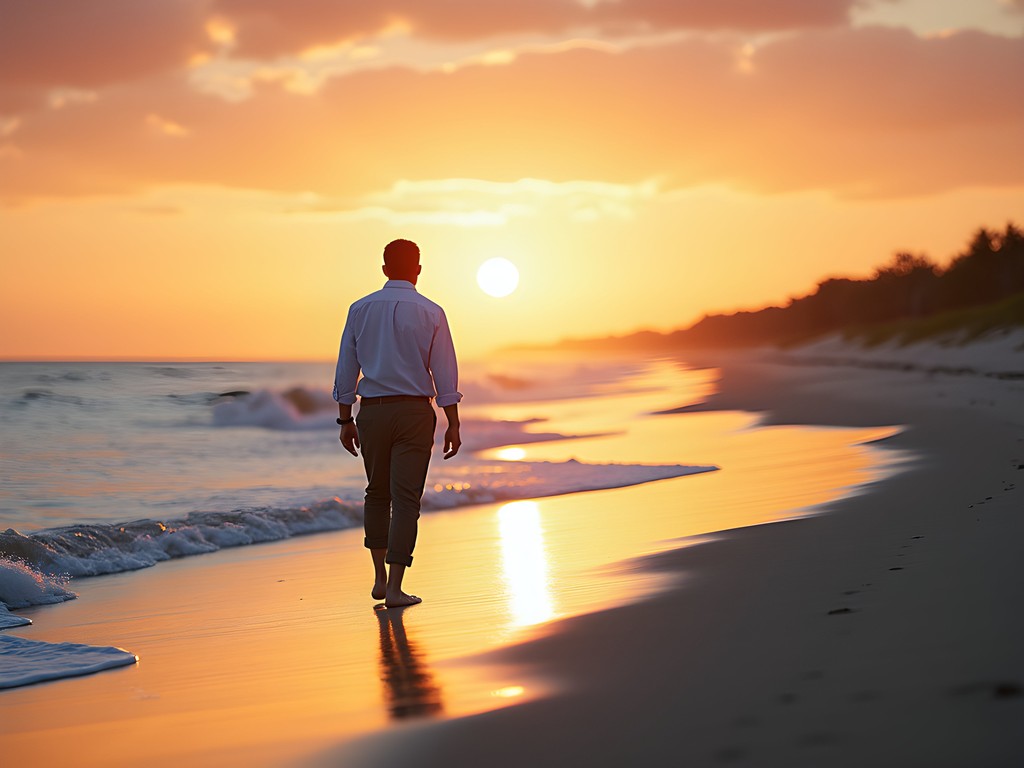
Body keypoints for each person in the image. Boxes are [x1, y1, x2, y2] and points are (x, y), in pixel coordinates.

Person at [333, 239, 462, 608]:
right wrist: (452, 422)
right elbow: (445, 372)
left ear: (385, 268)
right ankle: (395, 588)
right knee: (406, 500)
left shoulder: (360, 308)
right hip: (414, 413)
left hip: (371, 411)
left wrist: (345, 418)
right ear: (418, 270)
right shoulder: (432, 312)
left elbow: (346, 366)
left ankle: (378, 578)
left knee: (376, 493)